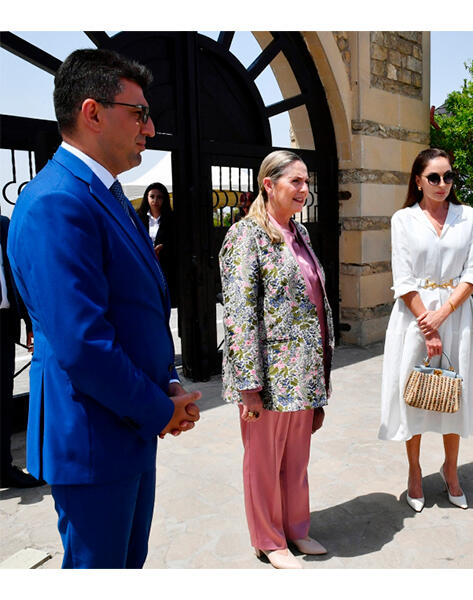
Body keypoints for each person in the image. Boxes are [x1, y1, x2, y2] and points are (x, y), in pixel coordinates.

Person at [7, 48, 200, 568]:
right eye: (139, 113)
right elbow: (83, 344)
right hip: (93, 435)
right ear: (92, 113)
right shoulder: (58, 202)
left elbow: (136, 309)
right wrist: (159, 409)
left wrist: (167, 383)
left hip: (126, 423)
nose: (150, 127)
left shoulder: (106, 193)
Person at [219, 150, 333, 569]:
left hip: (304, 372)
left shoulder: (299, 233)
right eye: (295, 182)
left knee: (296, 459)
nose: (304, 190)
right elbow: (239, 314)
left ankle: (296, 528)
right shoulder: (245, 235)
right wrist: (248, 386)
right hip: (269, 375)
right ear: (269, 184)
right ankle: (269, 540)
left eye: (307, 183)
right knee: (264, 462)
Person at [378, 148, 473, 512]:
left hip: (458, 315)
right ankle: (414, 471)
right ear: (418, 181)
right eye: (434, 177)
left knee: (454, 392)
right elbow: (403, 277)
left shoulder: (468, 217)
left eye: (448, 176)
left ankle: (451, 470)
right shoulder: (403, 219)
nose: (443, 184)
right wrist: (428, 323)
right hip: (414, 316)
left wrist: (443, 314)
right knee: (414, 394)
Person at [1, 214, 41, 488]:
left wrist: (29, 321)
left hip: (3, 325)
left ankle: (3, 468)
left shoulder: (4, 226)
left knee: (3, 401)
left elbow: (18, 275)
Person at [135, 181, 177, 305]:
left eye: (159, 197)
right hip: (145, 262)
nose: (155, 200)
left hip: (165, 264)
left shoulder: (171, 219)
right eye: (152, 196)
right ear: (146, 198)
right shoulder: (139, 218)